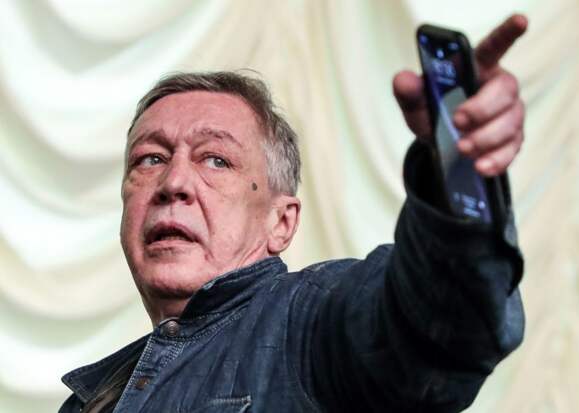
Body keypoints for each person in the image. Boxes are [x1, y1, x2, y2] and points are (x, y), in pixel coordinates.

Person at [60, 14, 528, 413]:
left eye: (216, 160)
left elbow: (436, 327)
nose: (173, 183)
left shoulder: (308, 324)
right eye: (151, 159)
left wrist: (457, 174)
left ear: (281, 222)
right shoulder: (91, 399)